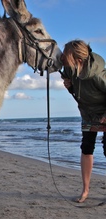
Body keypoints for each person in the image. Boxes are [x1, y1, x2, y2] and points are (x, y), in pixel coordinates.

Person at [61, 40, 106, 203]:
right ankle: (85, 190)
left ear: (78, 60)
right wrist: (69, 86)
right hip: (88, 114)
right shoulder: (70, 69)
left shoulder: (99, 75)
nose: (63, 59)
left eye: (66, 57)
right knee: (87, 148)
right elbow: (77, 90)